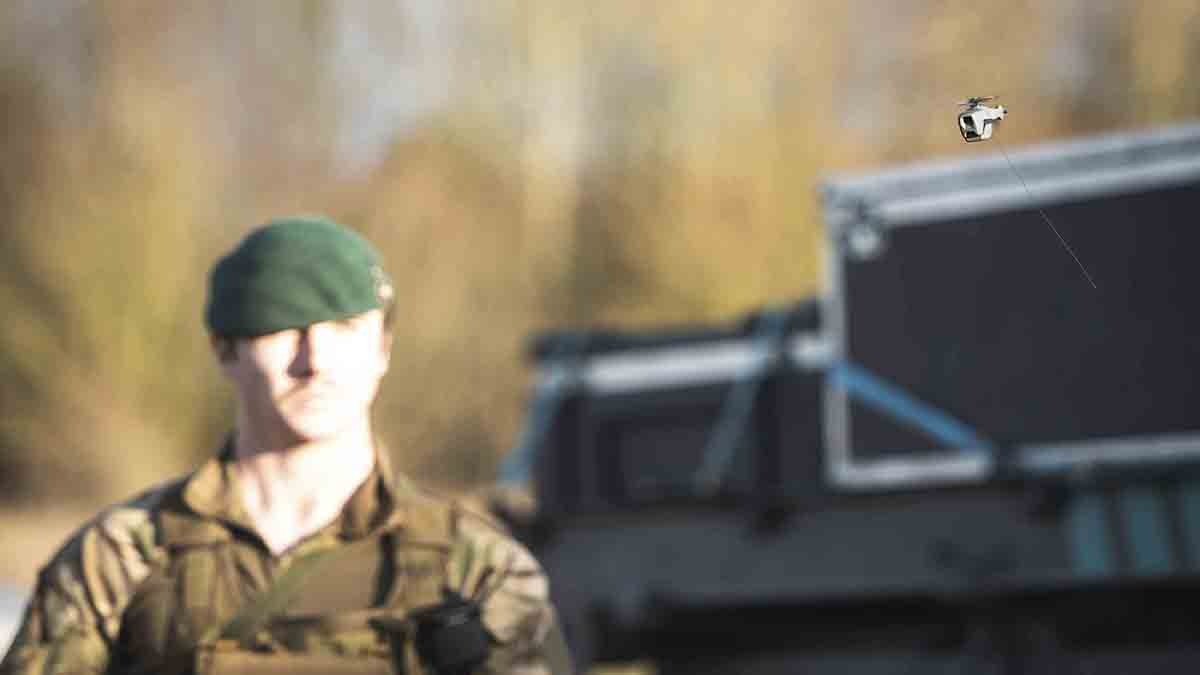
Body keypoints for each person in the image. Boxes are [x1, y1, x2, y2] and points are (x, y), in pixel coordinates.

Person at [0, 216, 573, 675]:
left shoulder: (476, 569)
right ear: (225, 350)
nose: (314, 362)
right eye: (283, 329)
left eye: (344, 329)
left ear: (383, 351)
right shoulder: (122, 560)